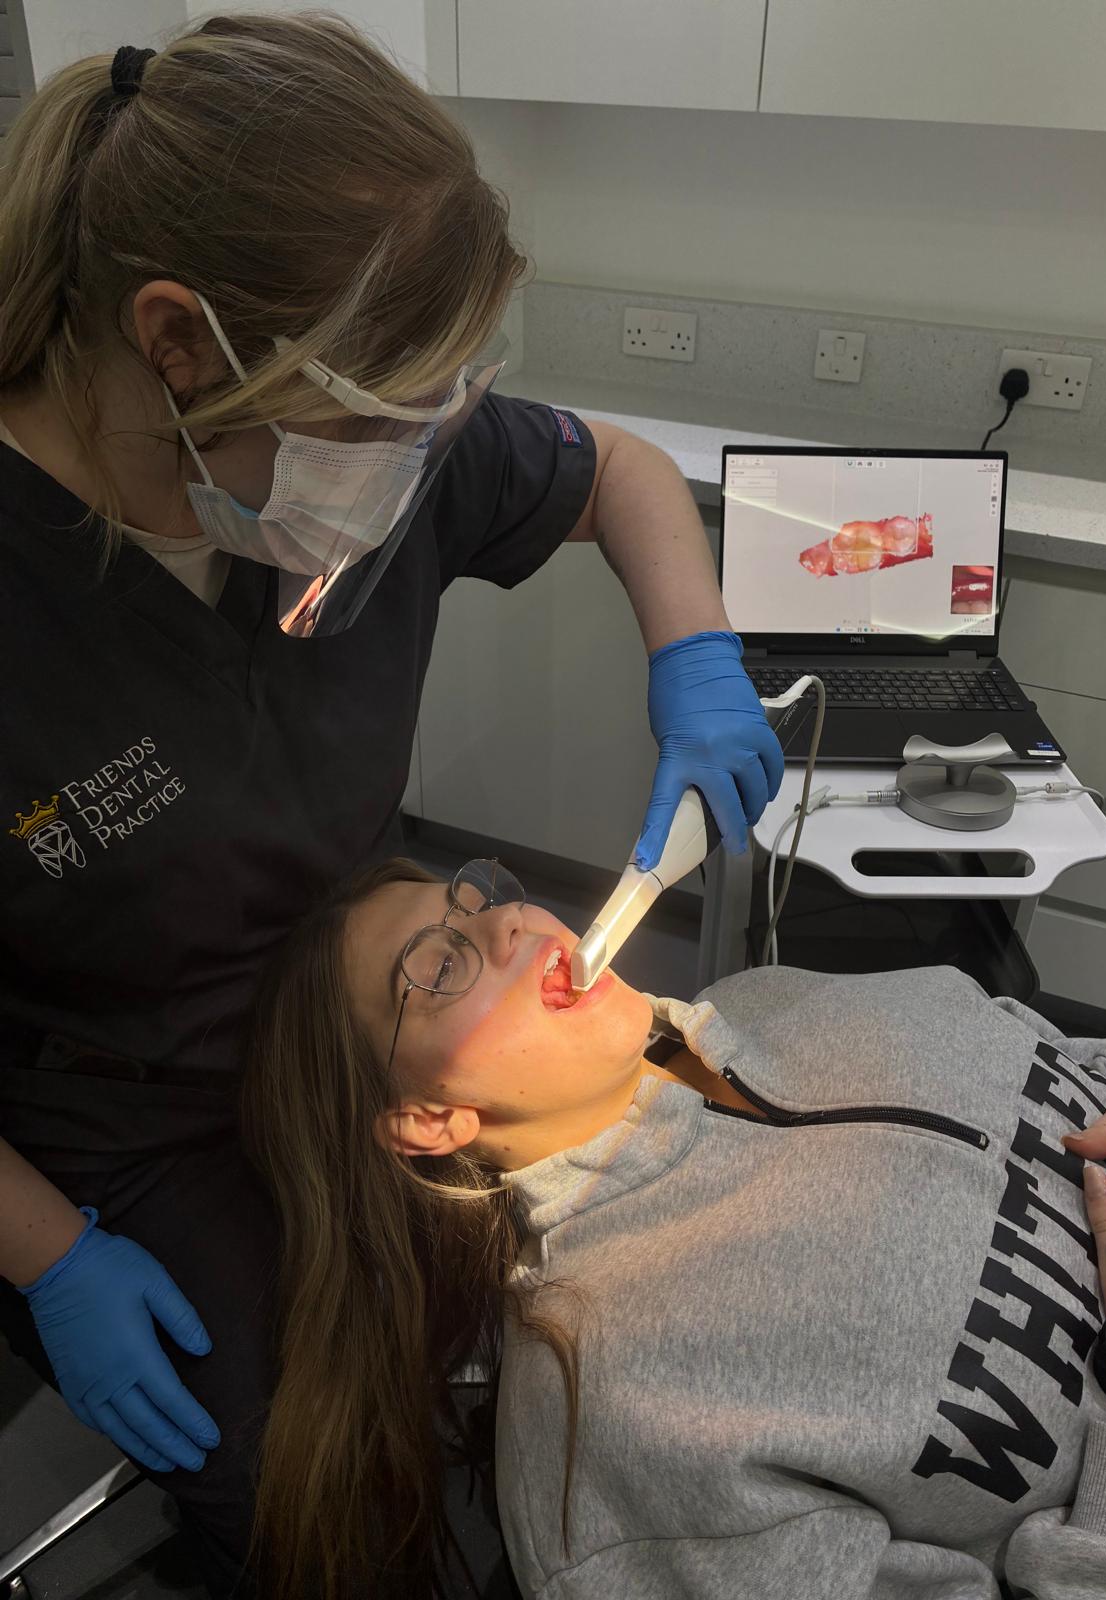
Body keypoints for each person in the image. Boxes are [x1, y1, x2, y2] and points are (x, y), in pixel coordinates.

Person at [0, 14, 783, 1597]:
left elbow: (616, 470)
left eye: (449, 412)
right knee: (315, 1484)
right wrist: (51, 1256)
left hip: (364, 963)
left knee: (586, 1319)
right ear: (177, 341)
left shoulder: (363, 453)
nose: (424, 466)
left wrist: (695, 653)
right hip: (133, 1112)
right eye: (389, 422)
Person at [242, 855, 1106, 1600]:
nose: (512, 923)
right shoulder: (619, 1428)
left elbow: (1080, 1055)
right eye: (442, 962)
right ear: (427, 1120)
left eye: (480, 899)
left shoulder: (764, 998)